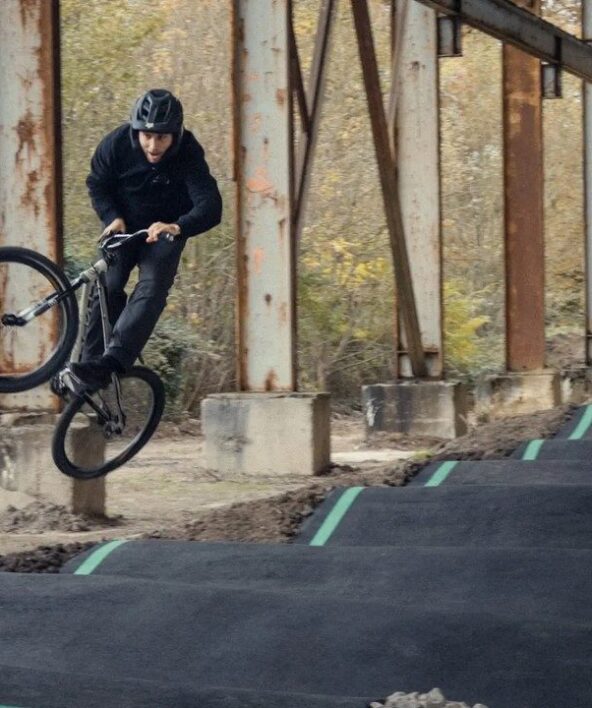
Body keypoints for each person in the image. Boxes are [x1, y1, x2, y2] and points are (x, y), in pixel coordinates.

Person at [71, 88, 222, 390]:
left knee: (152, 288)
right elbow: (97, 184)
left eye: (163, 138)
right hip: (124, 228)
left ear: (175, 135)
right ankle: (86, 369)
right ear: (136, 131)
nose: (153, 146)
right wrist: (111, 216)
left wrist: (177, 227)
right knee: (108, 285)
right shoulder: (115, 145)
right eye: (147, 137)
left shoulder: (188, 153)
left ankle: (113, 361)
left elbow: (211, 207)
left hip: (164, 232)